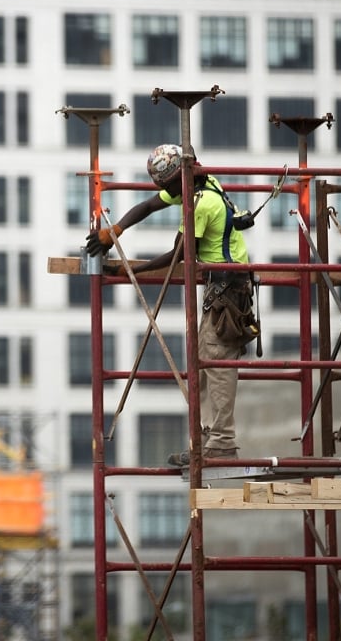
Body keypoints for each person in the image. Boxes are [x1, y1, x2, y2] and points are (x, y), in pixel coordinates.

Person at [86, 144, 258, 466]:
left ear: (177, 178)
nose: (163, 193)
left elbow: (177, 254)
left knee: (216, 364)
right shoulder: (199, 183)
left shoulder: (201, 202)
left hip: (228, 292)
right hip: (221, 289)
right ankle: (207, 442)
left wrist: (130, 270)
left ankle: (221, 443)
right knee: (203, 364)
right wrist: (117, 230)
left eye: (165, 186)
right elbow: (149, 206)